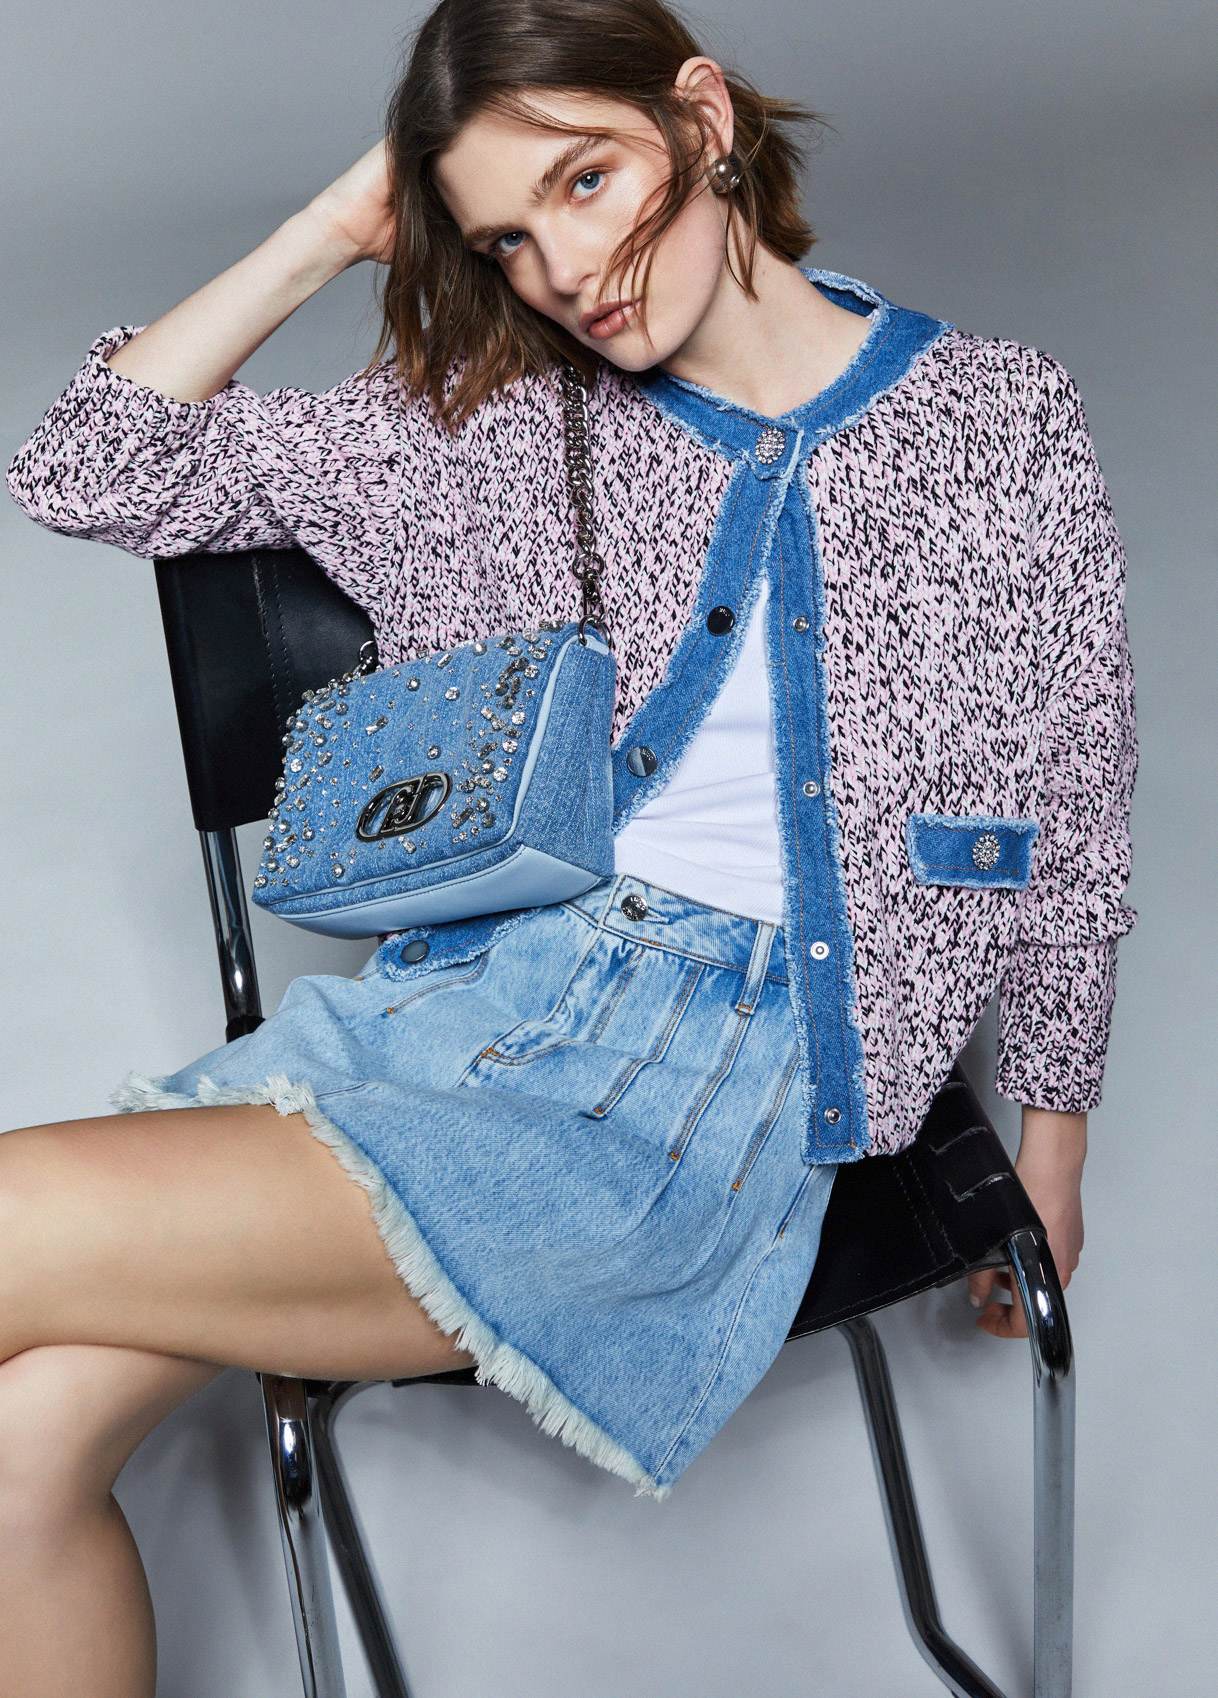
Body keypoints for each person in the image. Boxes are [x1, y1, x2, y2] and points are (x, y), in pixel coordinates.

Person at [2, 0, 1136, 1691]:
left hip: (705, 1095)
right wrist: (335, 223)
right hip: (458, 1018)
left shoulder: (993, 423)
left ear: (700, 116)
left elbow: (1072, 813)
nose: (567, 269)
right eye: (507, 239)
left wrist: (1050, 1154)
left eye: (586, 180)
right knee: (24, 1447)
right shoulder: (486, 428)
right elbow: (89, 468)